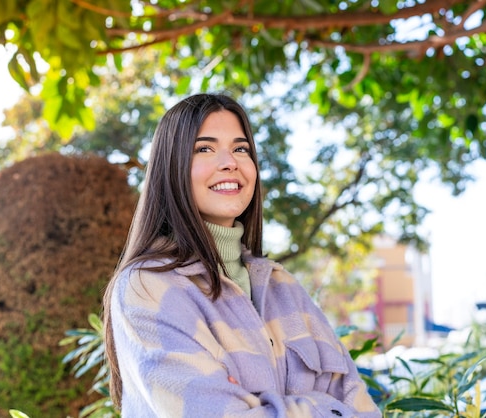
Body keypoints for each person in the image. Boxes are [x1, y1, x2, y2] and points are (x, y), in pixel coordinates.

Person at [103, 93, 382, 417]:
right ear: (172, 167)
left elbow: (364, 410)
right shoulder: (148, 287)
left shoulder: (283, 287)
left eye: (241, 149)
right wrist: (322, 407)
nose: (230, 162)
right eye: (204, 148)